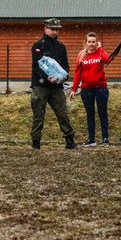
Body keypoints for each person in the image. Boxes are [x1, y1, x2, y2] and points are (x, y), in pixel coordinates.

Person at [30, 18, 76, 149]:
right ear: (45, 28)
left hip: (57, 87)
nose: (55, 31)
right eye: (52, 29)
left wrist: (64, 77)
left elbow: (65, 66)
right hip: (41, 87)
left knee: (63, 114)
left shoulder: (61, 47)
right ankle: (36, 142)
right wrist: (46, 78)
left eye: (57, 29)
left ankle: (70, 140)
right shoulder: (38, 46)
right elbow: (37, 66)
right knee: (38, 116)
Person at [69, 32, 111, 146]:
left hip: (101, 88)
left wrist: (101, 49)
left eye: (93, 42)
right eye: (89, 42)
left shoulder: (100, 53)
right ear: (85, 43)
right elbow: (77, 73)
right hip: (86, 89)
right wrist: (74, 89)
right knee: (90, 114)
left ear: (96, 43)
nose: (91, 44)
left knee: (102, 113)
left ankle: (105, 139)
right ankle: (91, 140)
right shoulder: (81, 55)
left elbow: (108, 60)